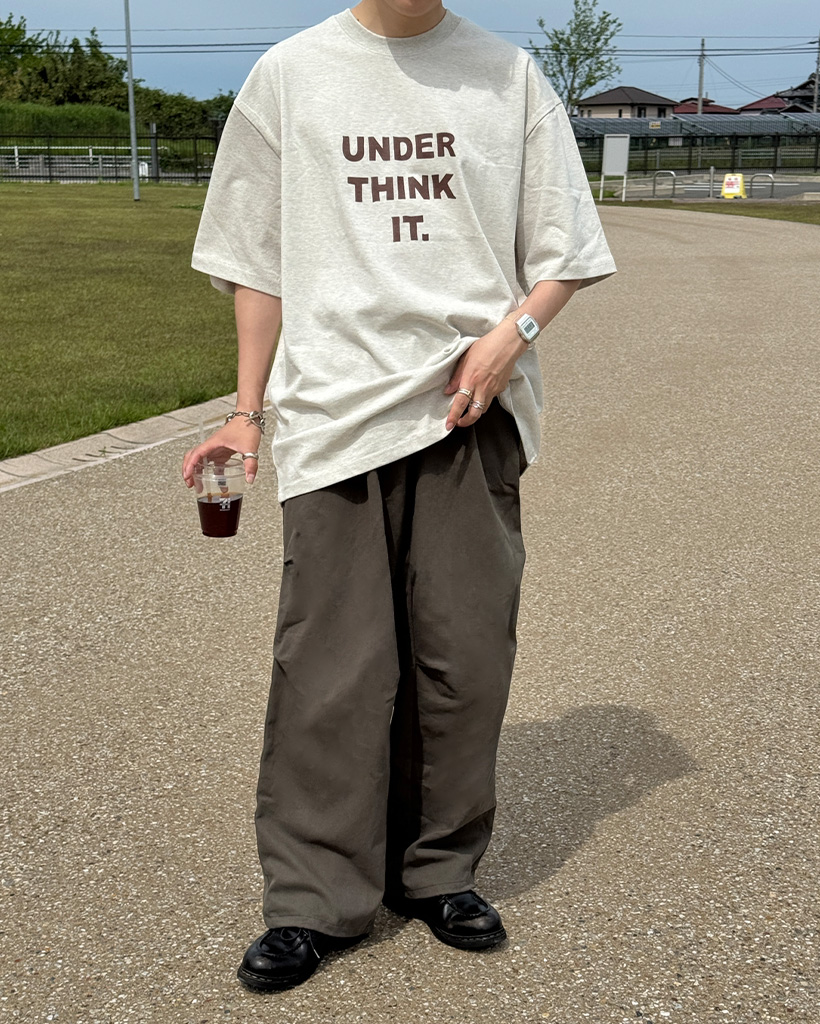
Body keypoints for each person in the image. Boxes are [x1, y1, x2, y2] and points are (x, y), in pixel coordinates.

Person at [182, 0, 616, 994]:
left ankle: (438, 871)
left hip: (469, 411)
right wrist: (245, 414)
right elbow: (255, 260)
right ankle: (314, 896)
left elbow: (563, 254)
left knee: (463, 656)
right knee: (330, 667)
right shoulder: (292, 74)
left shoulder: (508, 77)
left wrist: (510, 339)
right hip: (336, 416)